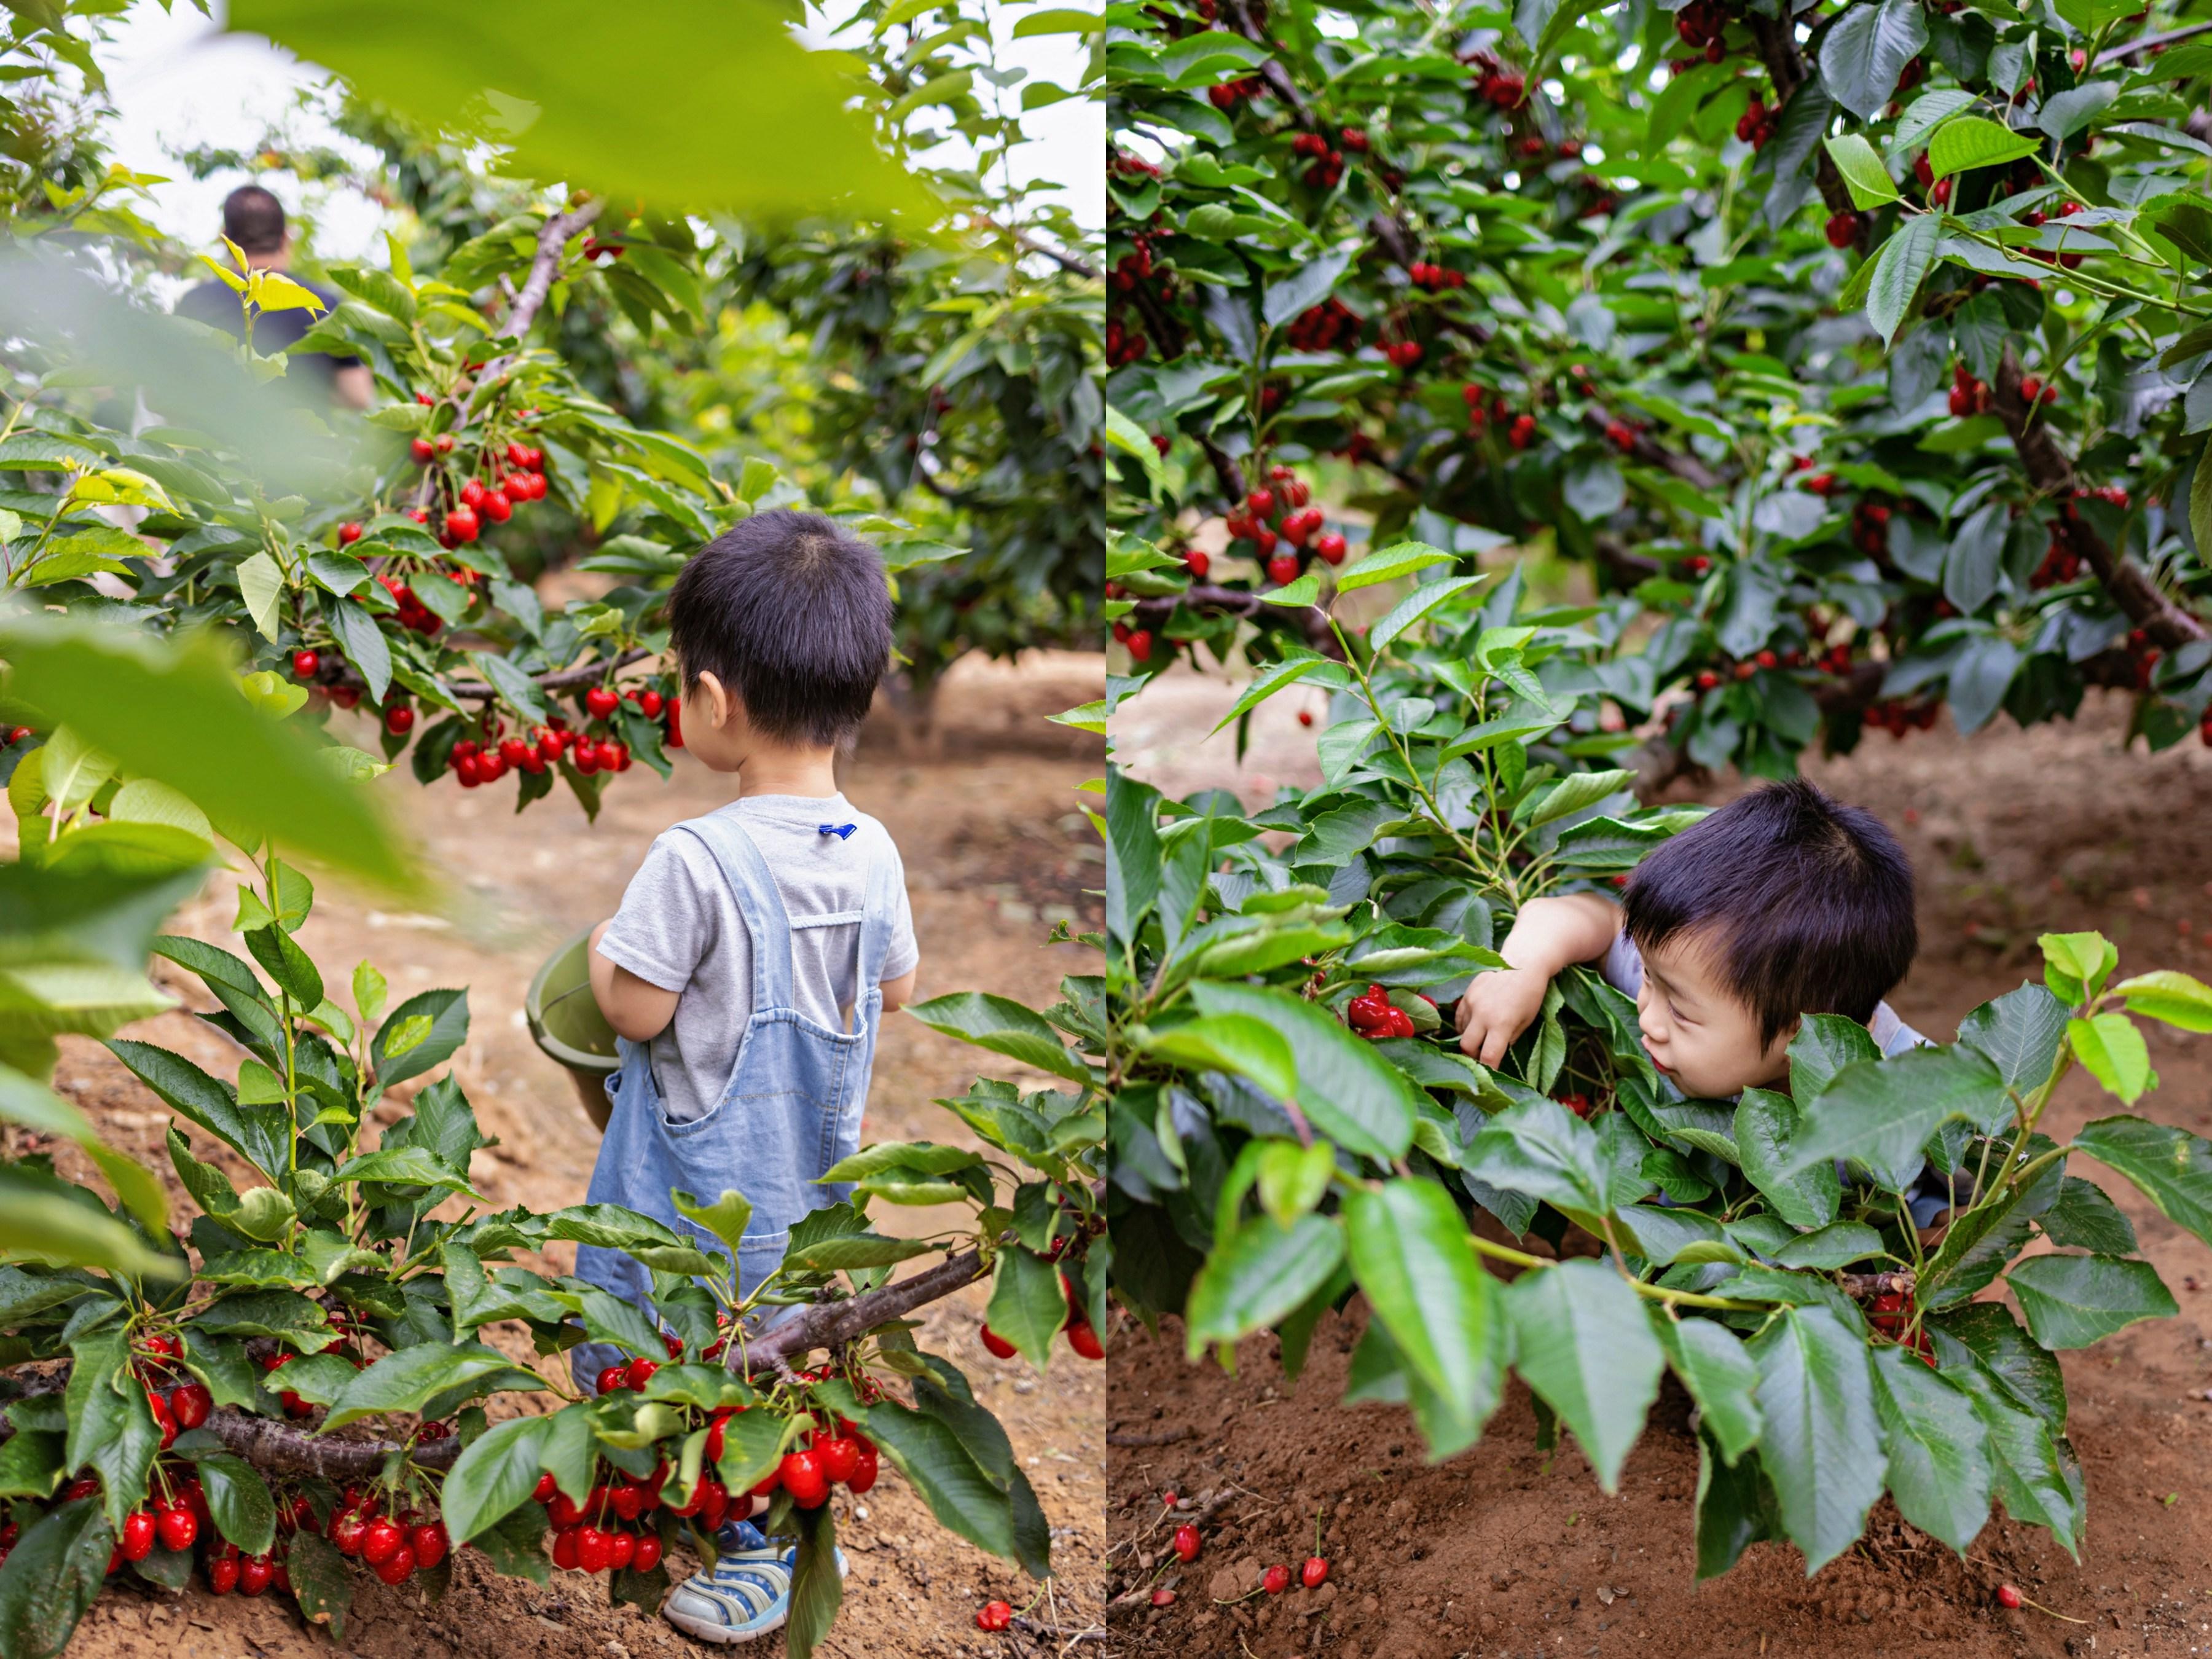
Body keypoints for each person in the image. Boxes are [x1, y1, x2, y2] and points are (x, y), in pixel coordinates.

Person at [578, 508, 918, 1645]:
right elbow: (900, 989)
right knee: (769, 1369)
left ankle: (746, 1552)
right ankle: (744, 1500)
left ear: (714, 702)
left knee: (663, 1352)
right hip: (810, 1200)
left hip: (695, 1202)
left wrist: (595, 951)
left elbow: (634, 1005)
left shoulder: (694, 860)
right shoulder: (873, 851)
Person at [1456, 777, 1963, 1233]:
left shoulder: (1913, 1088)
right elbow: (1596, 920)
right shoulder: (1694, 977)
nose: (1647, 1016)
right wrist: (1521, 965)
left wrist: (1940, 1241)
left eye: (1679, 1012)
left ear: (1799, 1031)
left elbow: (2009, 1179)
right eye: (1649, 981)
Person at [173, 184, 372, 410]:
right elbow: (358, 396)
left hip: (218, 443)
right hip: (306, 442)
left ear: (225, 240)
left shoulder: (195, 303)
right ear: (286, 238)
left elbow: (167, 393)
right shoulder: (323, 305)